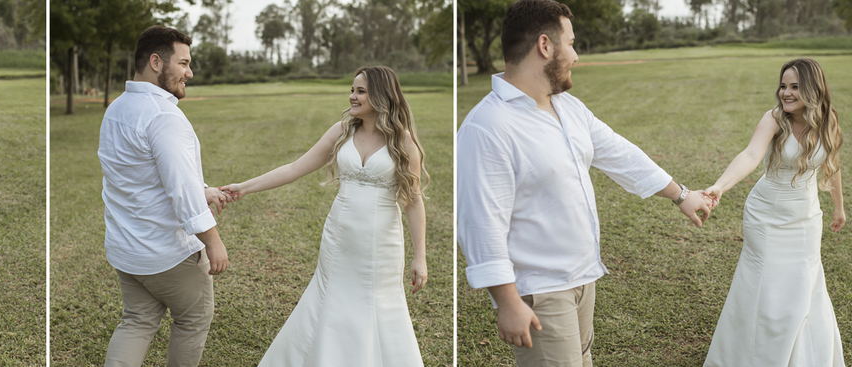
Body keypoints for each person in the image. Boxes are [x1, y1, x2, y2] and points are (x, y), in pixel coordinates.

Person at [455, 0, 714, 365]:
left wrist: (681, 195)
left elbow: (620, 153)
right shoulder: (488, 127)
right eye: (571, 43)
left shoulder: (568, 108)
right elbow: (481, 224)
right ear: (545, 46)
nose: (576, 55)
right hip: (540, 290)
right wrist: (509, 303)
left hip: (583, 277)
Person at [221, 66, 429, 366]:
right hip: (339, 237)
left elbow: (413, 200)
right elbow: (295, 168)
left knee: (378, 304)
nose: (352, 96)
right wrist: (244, 187)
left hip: (382, 243)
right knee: (331, 298)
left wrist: (419, 257)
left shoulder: (403, 141)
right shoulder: (342, 131)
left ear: (381, 96)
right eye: (352, 89)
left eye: (360, 91)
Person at [97, 25, 232, 367]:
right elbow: (181, 192)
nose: (190, 72)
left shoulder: (116, 109)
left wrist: (204, 190)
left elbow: (138, 175)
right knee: (194, 318)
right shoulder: (164, 116)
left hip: (127, 250)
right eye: (184, 63)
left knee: (137, 321)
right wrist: (213, 241)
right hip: (167, 254)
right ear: (156, 62)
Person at [700, 58, 845, 366]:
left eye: (795, 86)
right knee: (764, 283)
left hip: (806, 219)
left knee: (803, 282)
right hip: (766, 216)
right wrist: (720, 185)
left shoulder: (828, 119)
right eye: (783, 86)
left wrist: (839, 207)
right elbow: (751, 154)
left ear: (812, 88)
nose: (786, 93)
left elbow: (832, 167)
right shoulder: (775, 118)